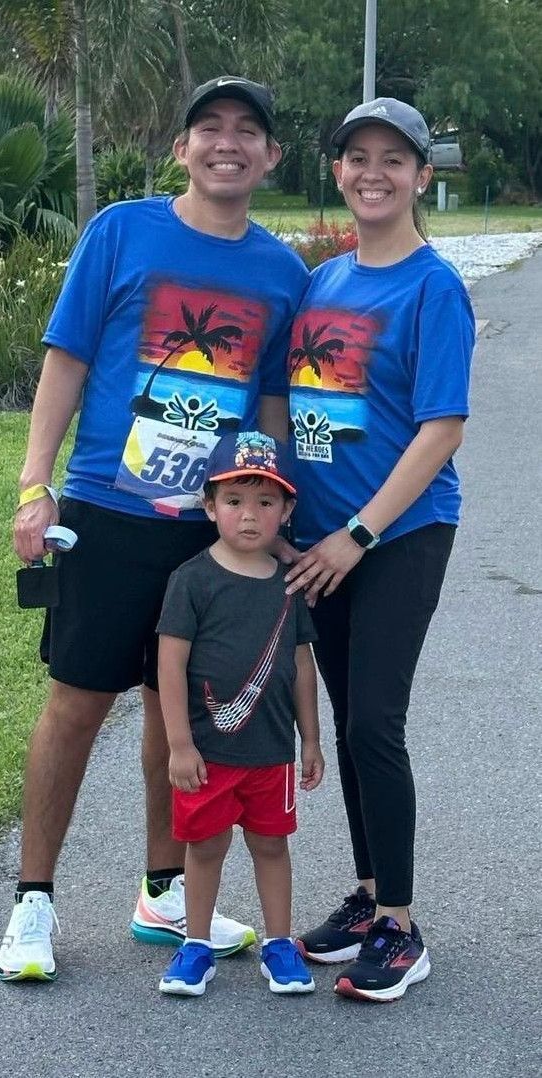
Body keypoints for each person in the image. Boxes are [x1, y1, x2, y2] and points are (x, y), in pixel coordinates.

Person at [0, 76, 310, 982]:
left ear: (269, 157)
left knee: (181, 714)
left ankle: (162, 890)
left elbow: (276, 406)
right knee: (78, 702)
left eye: (246, 131)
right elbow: (69, 358)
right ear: (183, 149)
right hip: (108, 509)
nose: (227, 143)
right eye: (208, 128)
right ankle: (33, 901)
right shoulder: (123, 232)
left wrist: (276, 515)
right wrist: (32, 486)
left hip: (214, 533)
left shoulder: (283, 272)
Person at [285, 98, 475, 1002]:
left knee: (372, 725)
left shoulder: (434, 286)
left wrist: (359, 534)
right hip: (321, 546)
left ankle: (400, 928)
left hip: (397, 535)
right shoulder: (324, 283)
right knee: (353, 717)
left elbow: (441, 428)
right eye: (356, 155)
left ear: (422, 176)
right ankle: (366, 897)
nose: (373, 172)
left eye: (394, 159)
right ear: (336, 172)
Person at [156, 431, 324, 996]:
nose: (249, 516)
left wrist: (312, 740)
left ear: (286, 510)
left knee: (273, 846)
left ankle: (280, 944)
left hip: (270, 753)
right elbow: (170, 667)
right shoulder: (192, 580)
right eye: (234, 501)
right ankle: (195, 946)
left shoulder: (289, 584)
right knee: (204, 848)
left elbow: (302, 665)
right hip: (208, 755)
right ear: (209, 507)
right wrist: (179, 745)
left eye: (265, 502)